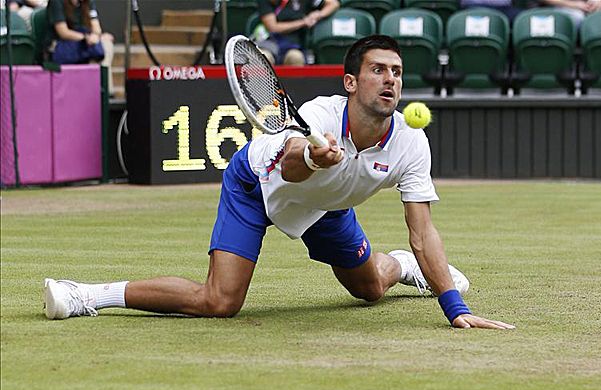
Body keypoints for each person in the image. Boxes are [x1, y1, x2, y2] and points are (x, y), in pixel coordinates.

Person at [43, 35, 515, 330]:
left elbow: (423, 229)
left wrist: (454, 307)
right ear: (351, 82)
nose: (389, 80)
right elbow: (290, 166)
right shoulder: (318, 116)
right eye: (377, 70)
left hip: (326, 207)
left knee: (371, 288)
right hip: (256, 188)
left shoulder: (411, 144)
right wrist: (312, 155)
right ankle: (87, 294)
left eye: (396, 72)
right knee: (220, 302)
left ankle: (402, 267)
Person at [44, 0, 114, 92]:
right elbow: (63, 32)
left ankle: (105, 92)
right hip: (62, 44)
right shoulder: (56, 2)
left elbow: (96, 27)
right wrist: (86, 38)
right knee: (95, 49)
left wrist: (96, 36)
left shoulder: (88, 2)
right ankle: (95, 90)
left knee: (106, 44)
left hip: (85, 41)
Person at [254, 0, 339, 65]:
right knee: (264, 57)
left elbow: (333, 3)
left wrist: (319, 14)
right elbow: (273, 27)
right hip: (271, 43)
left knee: (295, 57)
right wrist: (303, 22)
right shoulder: (267, 2)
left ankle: (294, 88)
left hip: (294, 44)